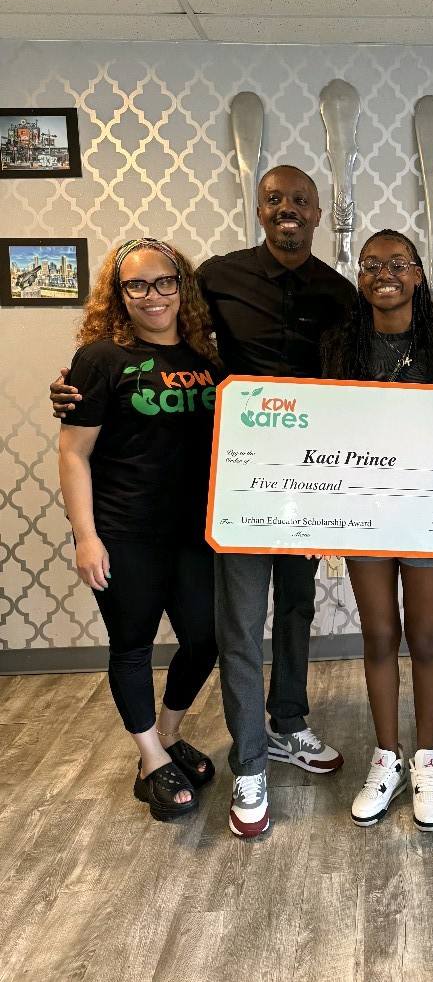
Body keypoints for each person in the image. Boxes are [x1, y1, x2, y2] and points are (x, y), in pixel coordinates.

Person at [52, 165, 356, 839]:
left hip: (276, 492)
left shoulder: (334, 295)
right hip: (193, 509)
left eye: (300, 201)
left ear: (317, 212)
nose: (154, 294)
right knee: (207, 632)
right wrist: (71, 396)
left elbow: (351, 376)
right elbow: (81, 437)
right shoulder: (215, 279)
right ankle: (215, 760)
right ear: (259, 208)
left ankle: (273, 725)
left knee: (264, 618)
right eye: (274, 199)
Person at [58, 238, 221, 821]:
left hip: (196, 532)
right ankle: (150, 760)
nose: (153, 296)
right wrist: (86, 536)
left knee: (205, 637)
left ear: (182, 286)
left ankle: (169, 734)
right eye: (137, 285)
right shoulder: (100, 359)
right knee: (132, 645)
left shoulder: (208, 359)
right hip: (124, 531)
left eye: (164, 282)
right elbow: (73, 452)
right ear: (119, 294)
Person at [321, 229, 433, 831]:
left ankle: (427, 759)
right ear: (359, 277)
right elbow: (325, 427)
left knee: (428, 636)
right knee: (380, 634)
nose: (383, 274)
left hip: (428, 512)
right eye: (370, 264)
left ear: (418, 273)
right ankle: (386, 756)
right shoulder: (340, 342)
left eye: (397, 263)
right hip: (365, 511)